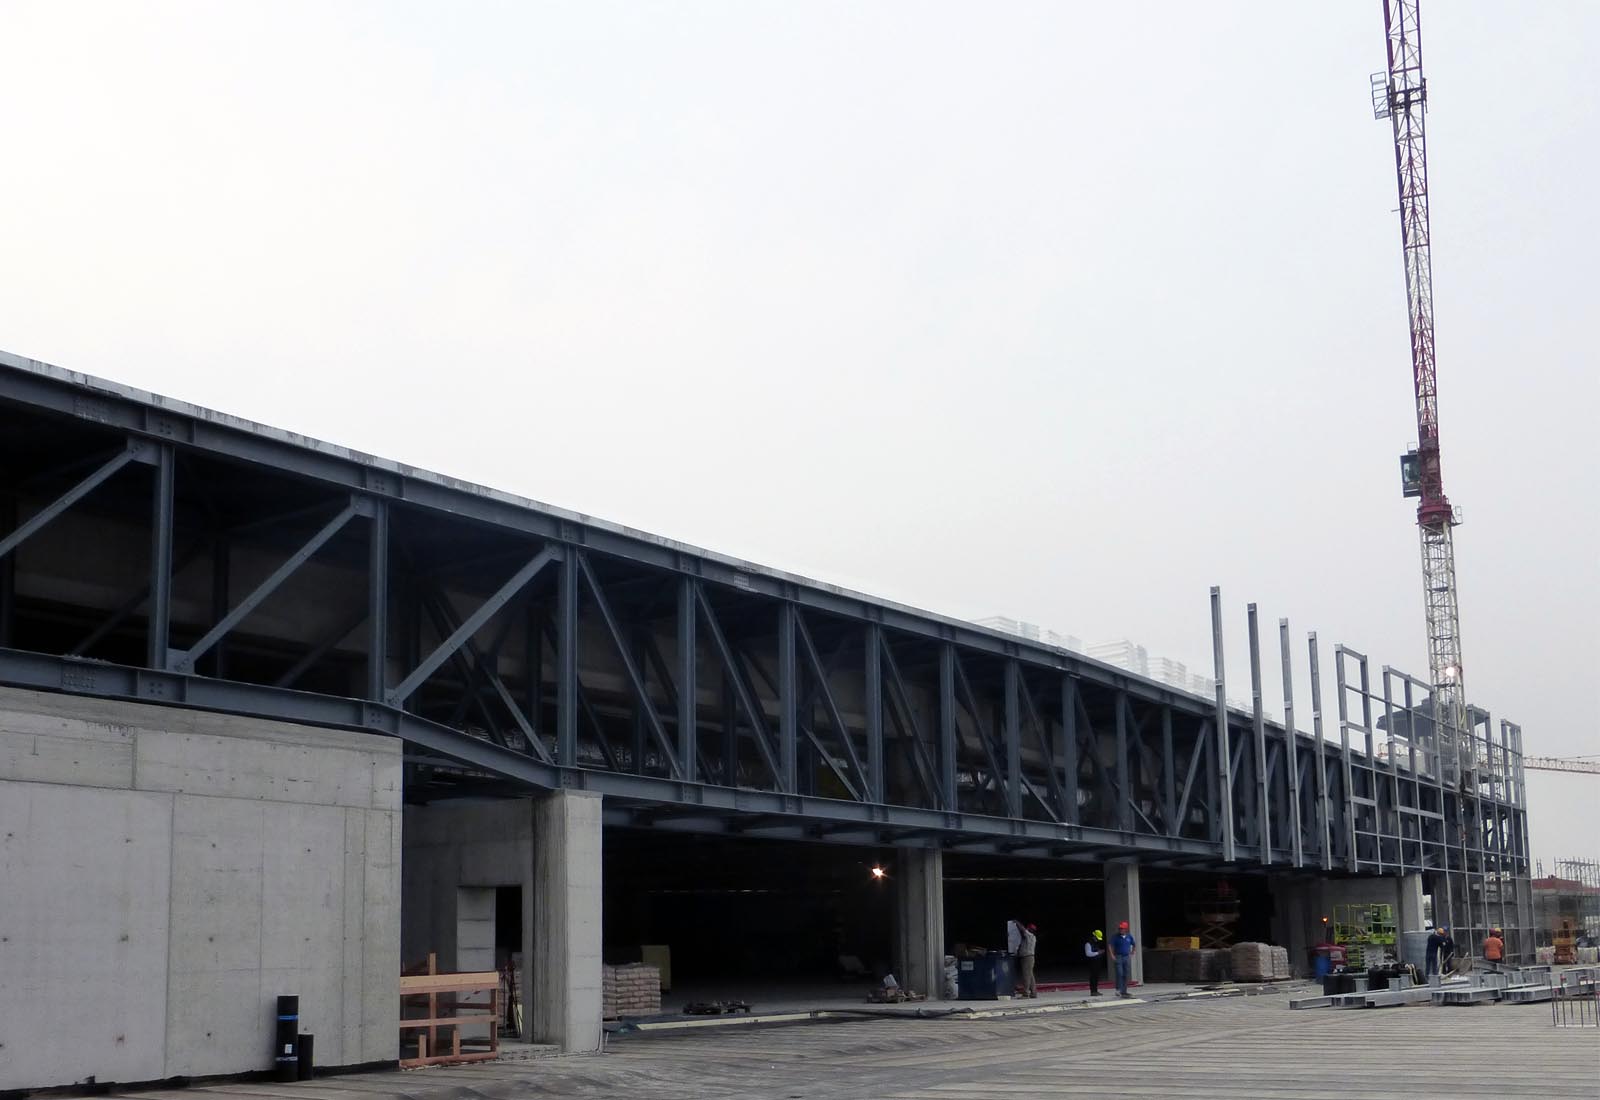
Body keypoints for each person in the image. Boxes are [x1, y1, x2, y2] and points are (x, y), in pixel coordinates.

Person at [1111, 920, 1137, 997]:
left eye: (1122, 928)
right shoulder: (1115, 937)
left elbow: (1134, 944)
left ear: (1126, 929)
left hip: (1126, 957)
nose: (1120, 930)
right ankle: (1118, 989)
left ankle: (1124, 991)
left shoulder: (1129, 936)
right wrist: (1112, 955)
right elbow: (1110, 945)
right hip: (1118, 956)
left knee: (1126, 974)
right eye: (1120, 928)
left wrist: (1132, 952)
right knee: (1119, 973)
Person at [1018, 923, 1038, 998]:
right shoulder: (1032, 937)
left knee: (1026, 976)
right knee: (1030, 976)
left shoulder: (1029, 935)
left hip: (1027, 958)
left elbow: (1022, 929)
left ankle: (1025, 993)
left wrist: (1016, 922)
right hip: (1030, 958)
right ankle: (1034, 993)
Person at [1084, 929, 1105, 996]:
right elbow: (1088, 953)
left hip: (1097, 962)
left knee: (1096, 977)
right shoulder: (1088, 943)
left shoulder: (1096, 943)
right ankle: (1093, 991)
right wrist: (1098, 952)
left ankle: (1095, 990)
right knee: (1093, 977)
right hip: (1092, 963)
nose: (1098, 939)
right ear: (1094, 936)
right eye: (1097, 938)